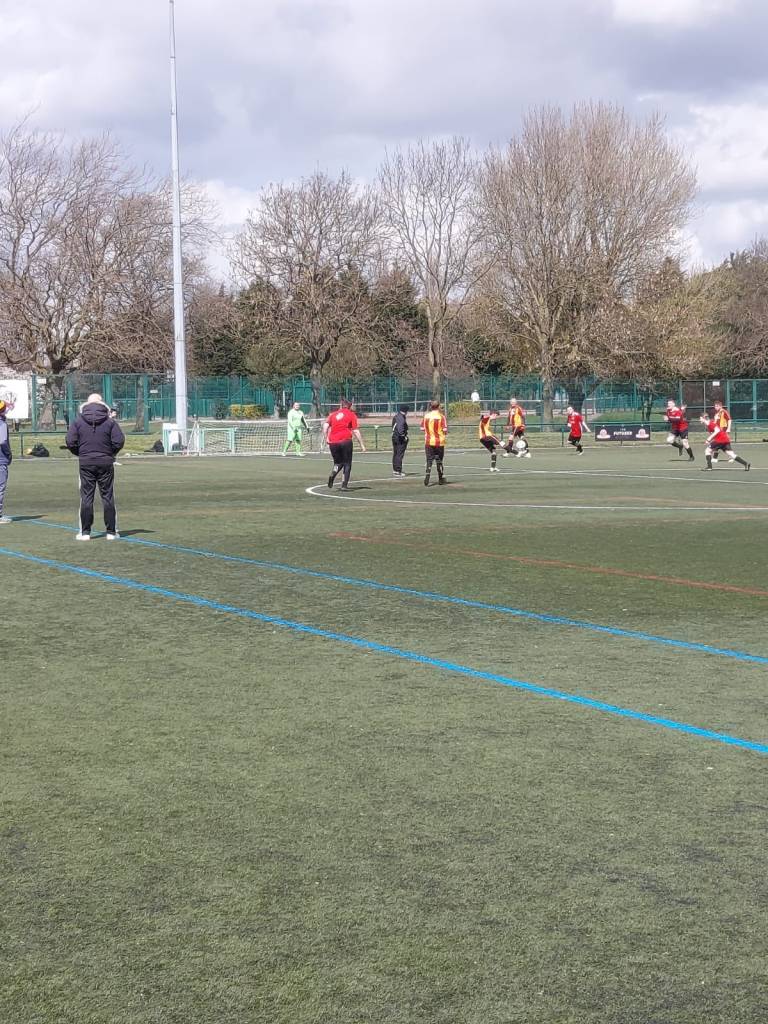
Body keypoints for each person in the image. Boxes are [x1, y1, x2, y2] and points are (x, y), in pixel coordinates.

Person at [65, 393, 125, 539]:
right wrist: (110, 453)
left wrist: (80, 453)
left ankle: (85, 532)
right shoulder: (110, 422)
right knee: (108, 496)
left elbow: (70, 441)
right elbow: (119, 441)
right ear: (101, 403)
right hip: (105, 463)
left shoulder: (78, 421)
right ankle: (111, 532)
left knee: (86, 497)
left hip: (86, 463)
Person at [323, 399, 366, 490]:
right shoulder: (351, 415)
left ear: (341, 406)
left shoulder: (333, 414)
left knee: (338, 463)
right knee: (347, 463)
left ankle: (333, 473)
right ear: (350, 406)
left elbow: (325, 426)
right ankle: (344, 485)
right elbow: (355, 431)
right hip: (345, 441)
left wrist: (326, 437)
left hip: (333, 442)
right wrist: (362, 444)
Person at [421, 401, 448, 486]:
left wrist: (429, 431)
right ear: (438, 406)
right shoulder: (441, 417)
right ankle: (440, 478)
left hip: (429, 441)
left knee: (429, 460)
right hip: (439, 442)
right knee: (439, 460)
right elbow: (445, 430)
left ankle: (427, 475)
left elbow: (422, 428)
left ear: (431, 407)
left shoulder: (426, 416)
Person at [0, 399, 13, 524]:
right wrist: (8, 454)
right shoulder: (2, 424)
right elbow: (3, 441)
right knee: (0, 487)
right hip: (0, 459)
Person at [391, 404, 409, 477]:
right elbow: (400, 428)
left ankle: (395, 470)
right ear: (406, 411)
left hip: (394, 437)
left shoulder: (397, 416)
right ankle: (398, 470)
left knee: (396, 454)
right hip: (399, 438)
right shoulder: (401, 417)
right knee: (399, 454)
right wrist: (403, 436)